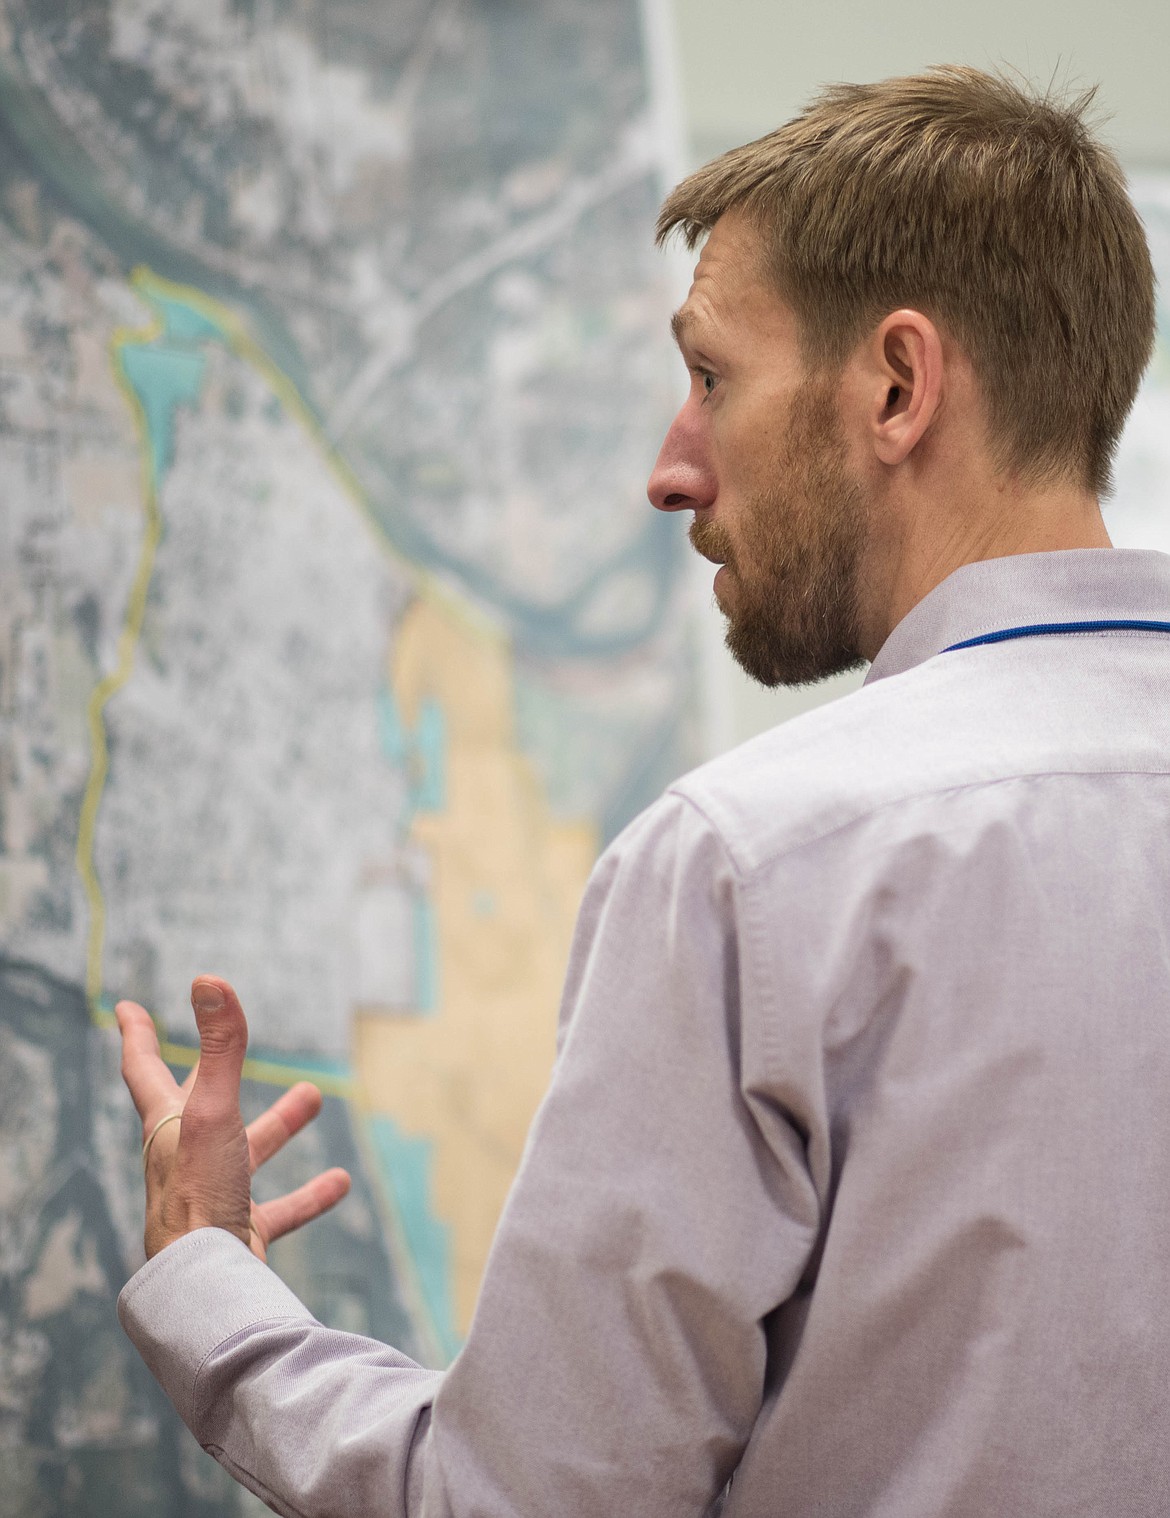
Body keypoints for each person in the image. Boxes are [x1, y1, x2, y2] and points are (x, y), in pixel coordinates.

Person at [116, 65, 1168, 1516]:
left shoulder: (752, 865)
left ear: (896, 385)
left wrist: (206, 1290)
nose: (671, 471)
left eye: (712, 378)